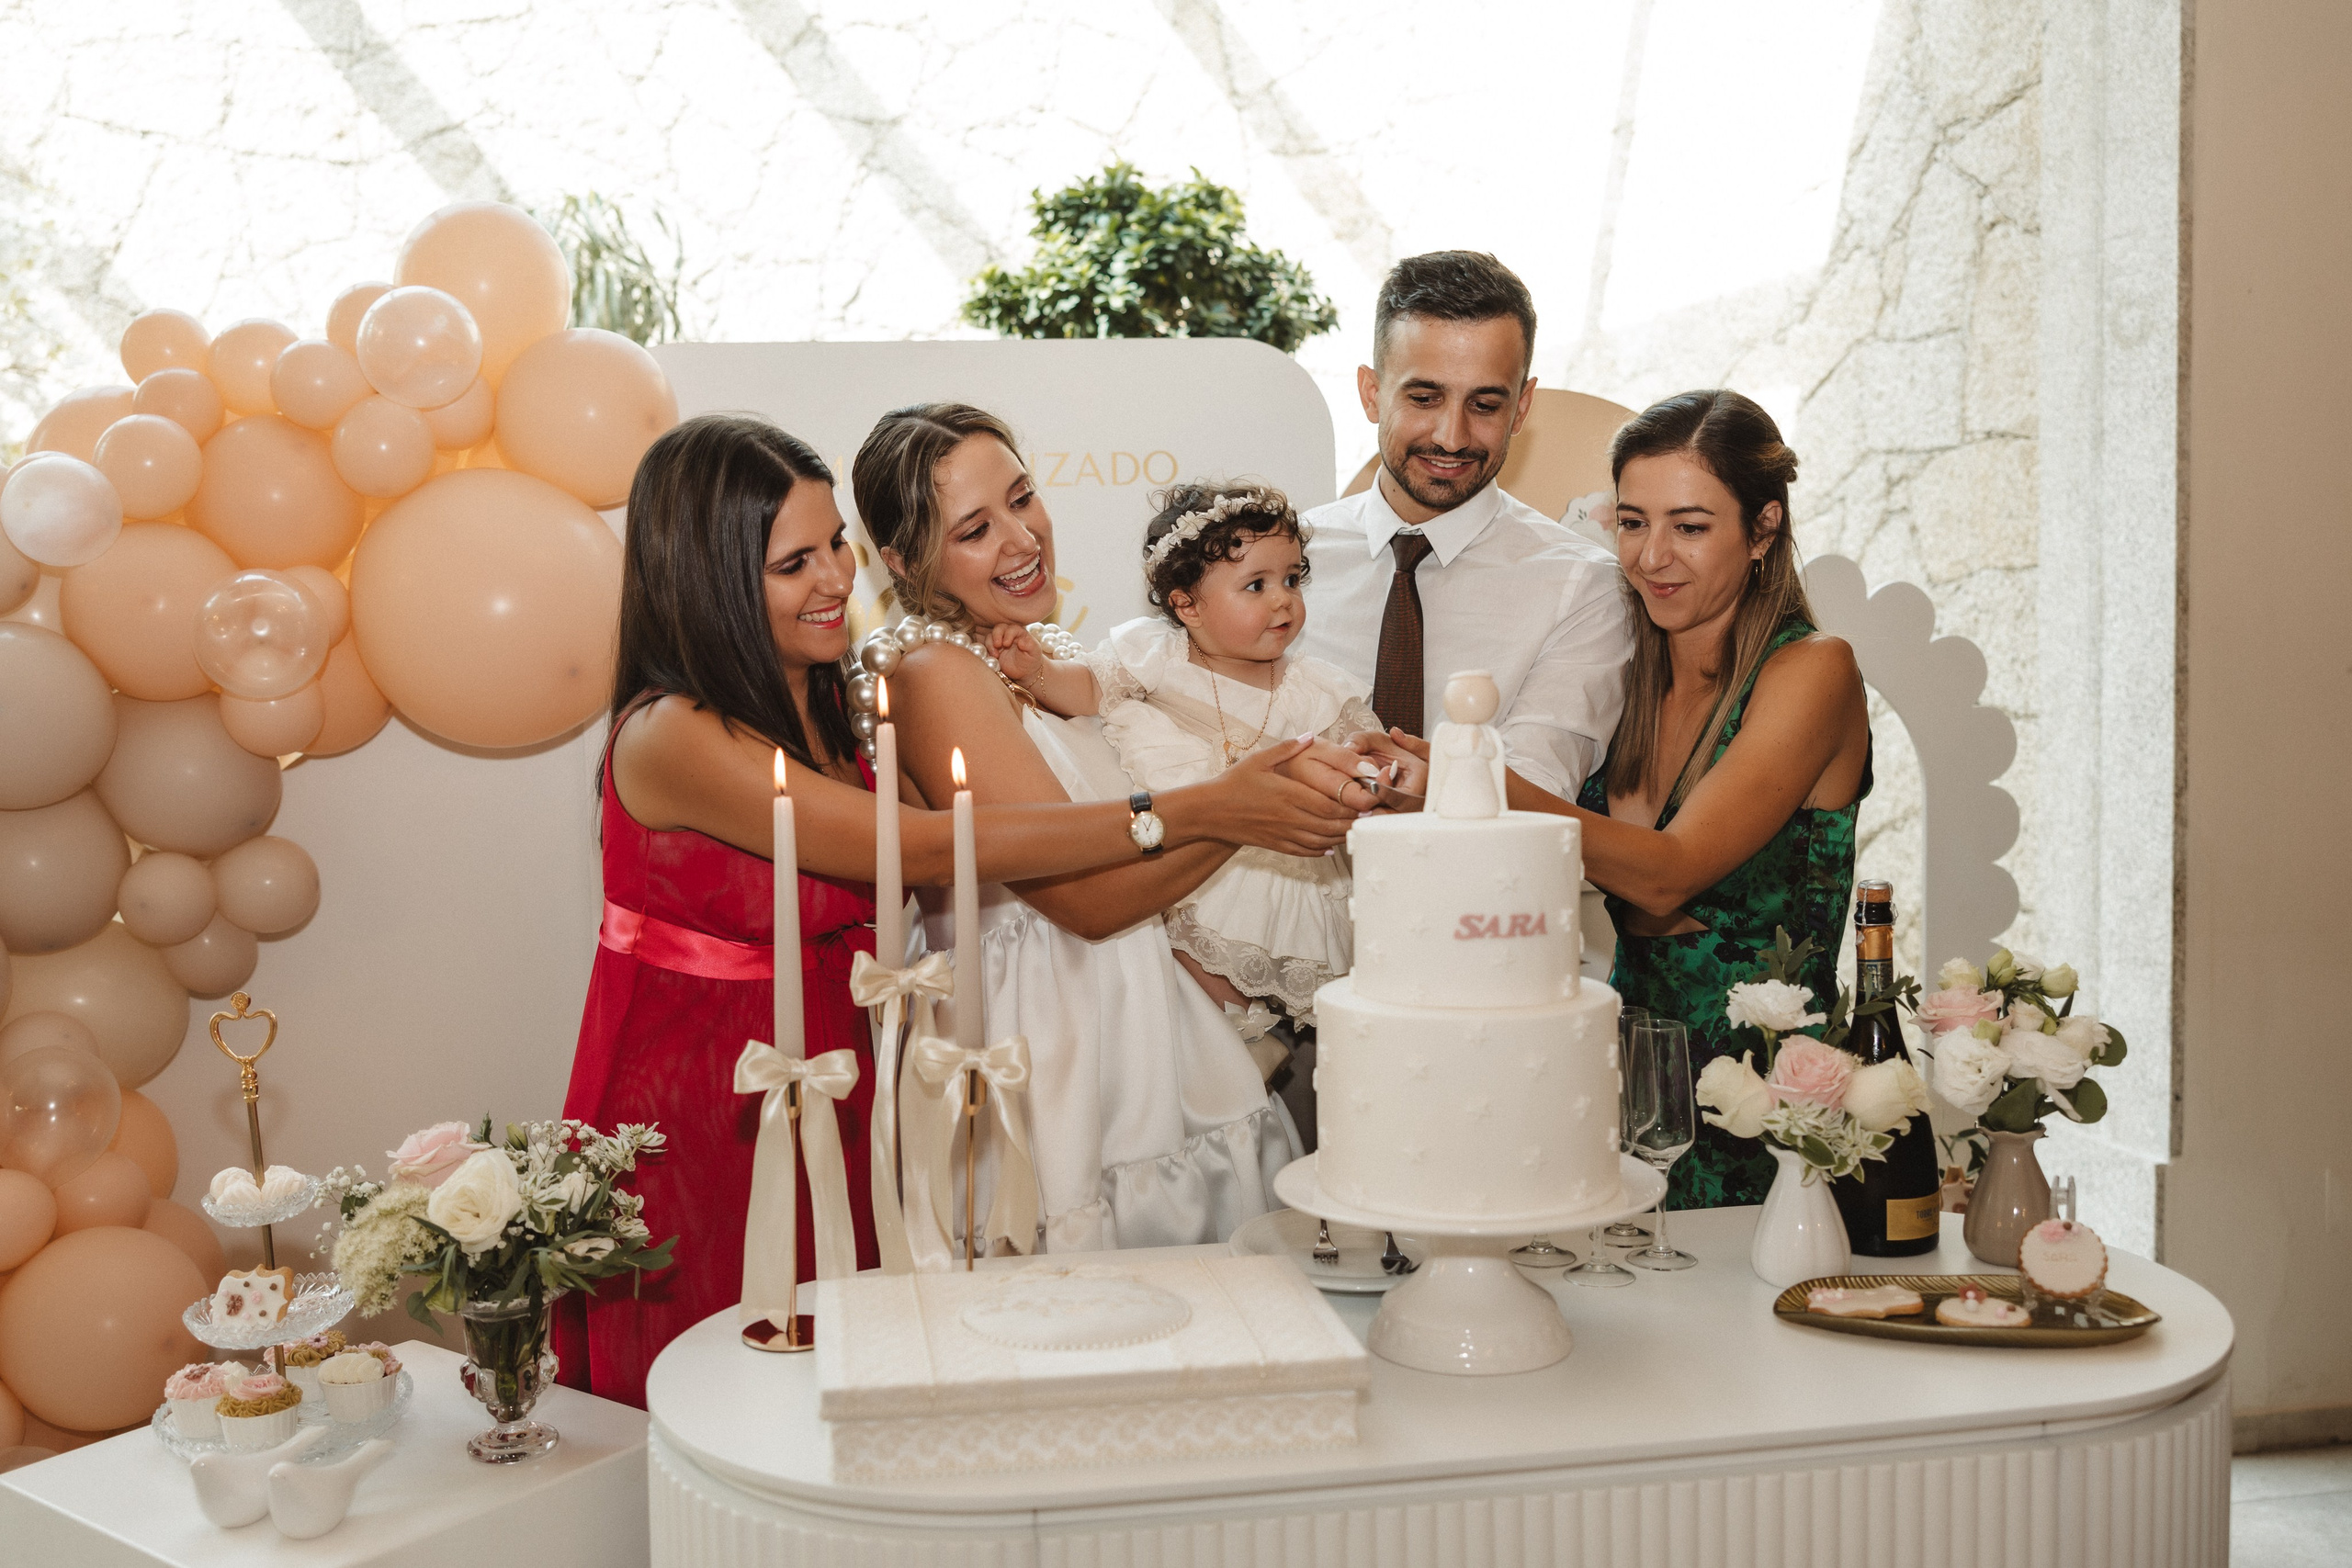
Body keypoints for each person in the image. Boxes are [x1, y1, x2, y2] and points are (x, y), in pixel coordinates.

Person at [556, 414, 1357, 1406]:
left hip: (845, 1072)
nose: (833, 581)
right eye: (791, 562)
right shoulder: (669, 735)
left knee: (852, 1363)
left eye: (833, 546)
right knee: (727, 1374)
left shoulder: (822, 696)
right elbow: (932, 849)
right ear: (710, 579)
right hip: (708, 1093)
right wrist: (1206, 811)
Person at [854, 403, 1374, 1255]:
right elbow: (1085, 901)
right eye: (977, 529)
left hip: (1138, 1019)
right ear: (906, 560)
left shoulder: (1047, 651)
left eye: (1023, 499)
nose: (1023, 540)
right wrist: (1238, 807)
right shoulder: (933, 671)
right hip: (1049, 1052)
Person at [1357, 390, 1871, 1211]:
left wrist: (1470, 776)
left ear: (1765, 527)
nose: (1652, 556)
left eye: (1690, 526)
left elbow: (1669, 874)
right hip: (1611, 1092)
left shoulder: (1811, 670)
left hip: (1766, 1113)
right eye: (1632, 522)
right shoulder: (1627, 669)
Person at [989, 479, 1378, 1055]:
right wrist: (1036, 672)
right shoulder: (1157, 656)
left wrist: (1368, 779)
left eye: (1293, 580)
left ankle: (1251, 1041)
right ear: (1186, 605)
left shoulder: (1319, 689)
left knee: (1267, 973)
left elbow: (1358, 763)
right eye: (1256, 585)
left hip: (1284, 869)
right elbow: (1087, 691)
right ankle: (1222, 1048)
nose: (1283, 601)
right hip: (1189, 862)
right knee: (1185, 968)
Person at [1294, 250, 1633, 799]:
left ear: (1521, 408)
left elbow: (1539, 788)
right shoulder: (1286, 557)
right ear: (1371, 392)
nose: (1451, 436)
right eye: (1424, 398)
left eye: (1484, 404)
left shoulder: (1585, 588)